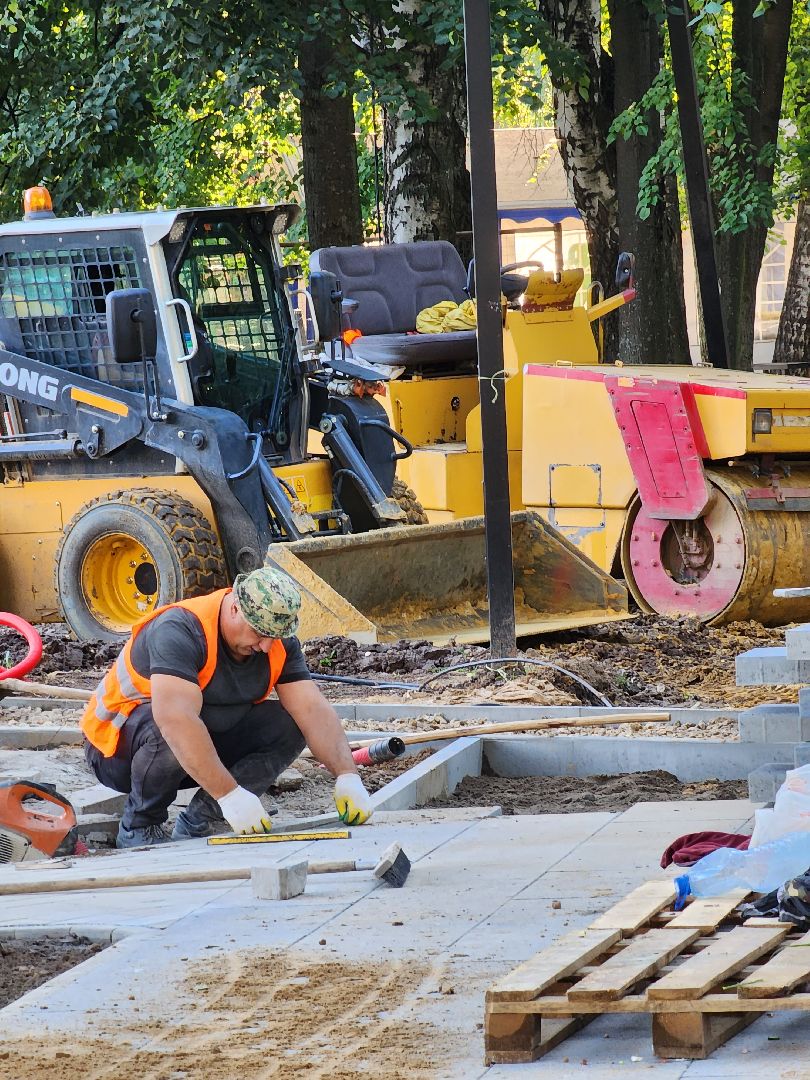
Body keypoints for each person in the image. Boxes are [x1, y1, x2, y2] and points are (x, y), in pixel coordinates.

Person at [81, 566, 373, 848]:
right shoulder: (180, 629)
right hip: (117, 752)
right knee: (168, 725)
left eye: (275, 636)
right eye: (259, 633)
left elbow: (312, 710)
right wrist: (230, 793)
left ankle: (202, 819)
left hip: (195, 750)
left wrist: (347, 775)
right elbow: (175, 720)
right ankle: (139, 826)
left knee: (292, 724)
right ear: (235, 608)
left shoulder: (275, 644)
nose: (266, 646)